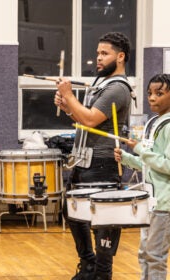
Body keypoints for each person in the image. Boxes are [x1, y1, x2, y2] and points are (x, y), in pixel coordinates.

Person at [54, 32, 132, 280]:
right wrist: (68, 107)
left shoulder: (118, 88)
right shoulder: (102, 85)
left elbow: (89, 118)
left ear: (120, 57)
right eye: (98, 53)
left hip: (103, 163)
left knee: (104, 222)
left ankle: (101, 272)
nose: (98, 58)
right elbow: (84, 120)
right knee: (74, 214)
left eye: (104, 53)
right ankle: (87, 265)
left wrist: (68, 95)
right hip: (83, 160)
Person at [114, 74, 170, 280]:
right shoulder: (156, 123)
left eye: (159, 93)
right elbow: (150, 165)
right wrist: (127, 158)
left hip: (165, 204)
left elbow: (167, 165)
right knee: (144, 254)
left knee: (155, 256)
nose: (152, 98)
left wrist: (140, 150)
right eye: (149, 94)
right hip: (151, 202)